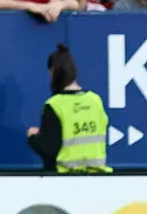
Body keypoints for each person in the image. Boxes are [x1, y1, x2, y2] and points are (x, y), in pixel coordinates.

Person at [27, 43, 112, 173]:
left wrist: (33, 137)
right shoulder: (95, 100)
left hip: (66, 181)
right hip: (98, 180)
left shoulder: (55, 105)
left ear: (52, 72)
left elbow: (49, 150)